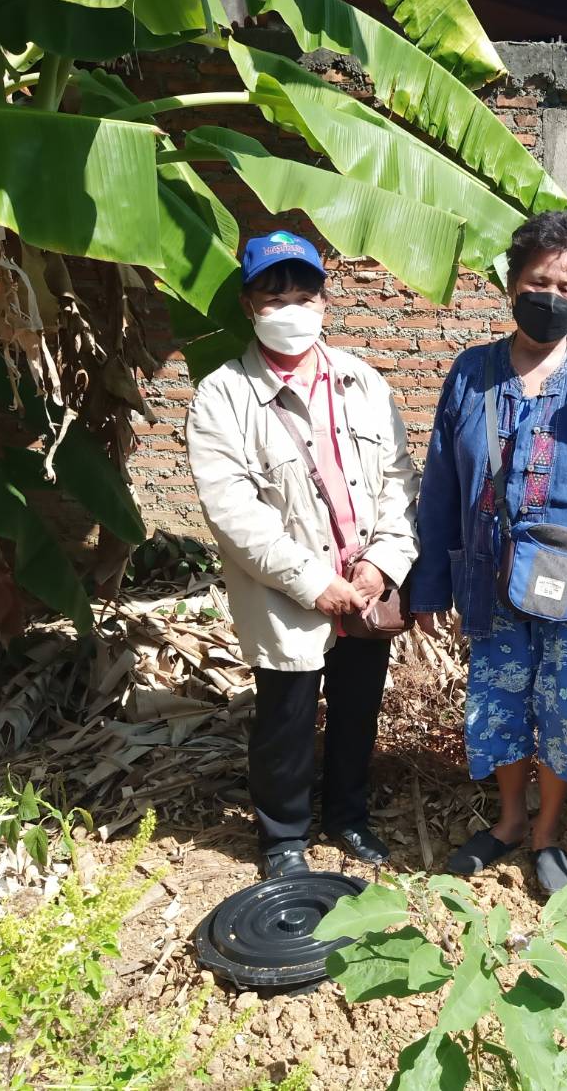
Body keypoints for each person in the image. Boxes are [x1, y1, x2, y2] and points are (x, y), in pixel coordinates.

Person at [409, 210, 567, 895]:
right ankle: (509, 821)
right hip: (488, 579)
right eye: (539, 282)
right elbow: (441, 482)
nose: (552, 297)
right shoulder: (471, 372)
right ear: (512, 286)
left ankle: (547, 833)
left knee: (564, 708)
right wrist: (428, 586)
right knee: (498, 701)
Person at [187, 231, 420, 880]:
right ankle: (283, 837)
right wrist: (312, 580)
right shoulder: (223, 396)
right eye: (274, 296)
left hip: (365, 588)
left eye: (303, 294)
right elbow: (232, 508)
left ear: (324, 300)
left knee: (356, 710)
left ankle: (347, 815)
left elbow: (399, 478)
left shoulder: (362, 382)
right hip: (287, 593)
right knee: (285, 718)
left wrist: (382, 562)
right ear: (248, 305)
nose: (290, 308)